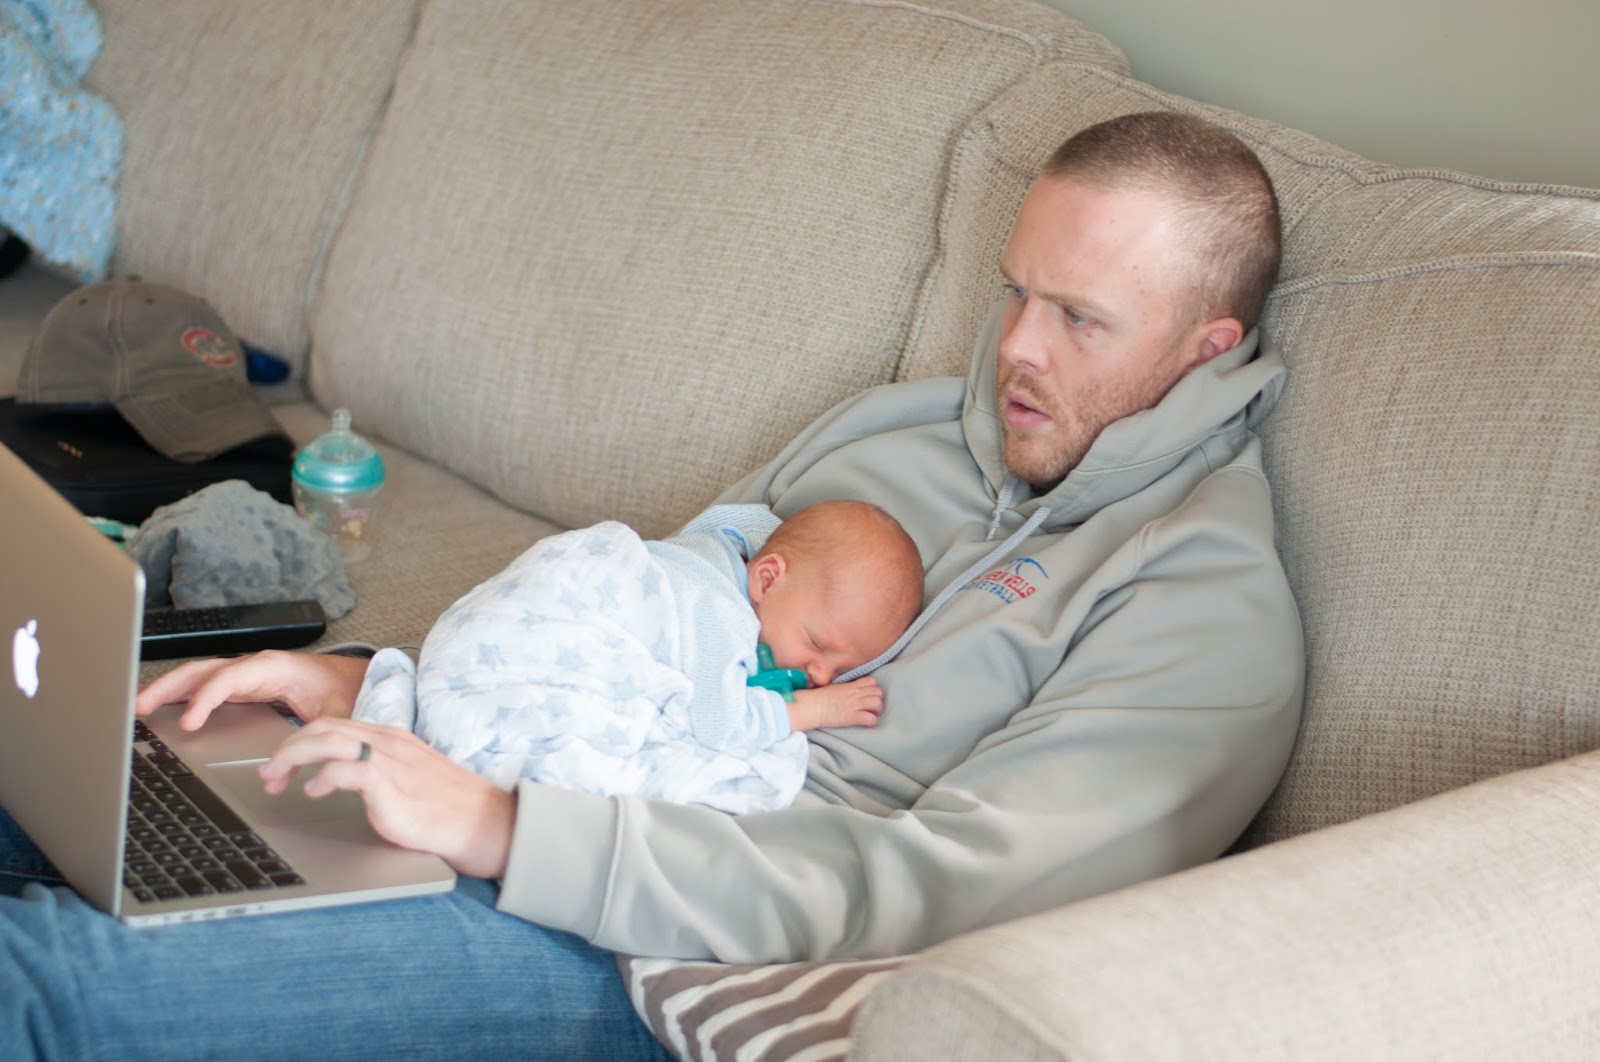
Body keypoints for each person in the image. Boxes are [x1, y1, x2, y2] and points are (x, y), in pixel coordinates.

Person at [0, 111, 1304, 1059]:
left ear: (1207, 347)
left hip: (650, 940)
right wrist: (355, 681)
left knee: (44, 986)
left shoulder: (1201, 602)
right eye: (1017, 291)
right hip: (518, 775)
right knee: (51, 765)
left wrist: (508, 828)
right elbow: (631, 639)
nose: (1015, 345)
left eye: (1080, 318)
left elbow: (947, 900)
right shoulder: (895, 428)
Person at [352, 500, 923, 812]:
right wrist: (819, 711)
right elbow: (721, 723)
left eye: (842, 671)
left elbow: (743, 518)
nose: (820, 675)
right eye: (819, 646)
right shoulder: (721, 614)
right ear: (767, 578)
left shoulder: (720, 542)